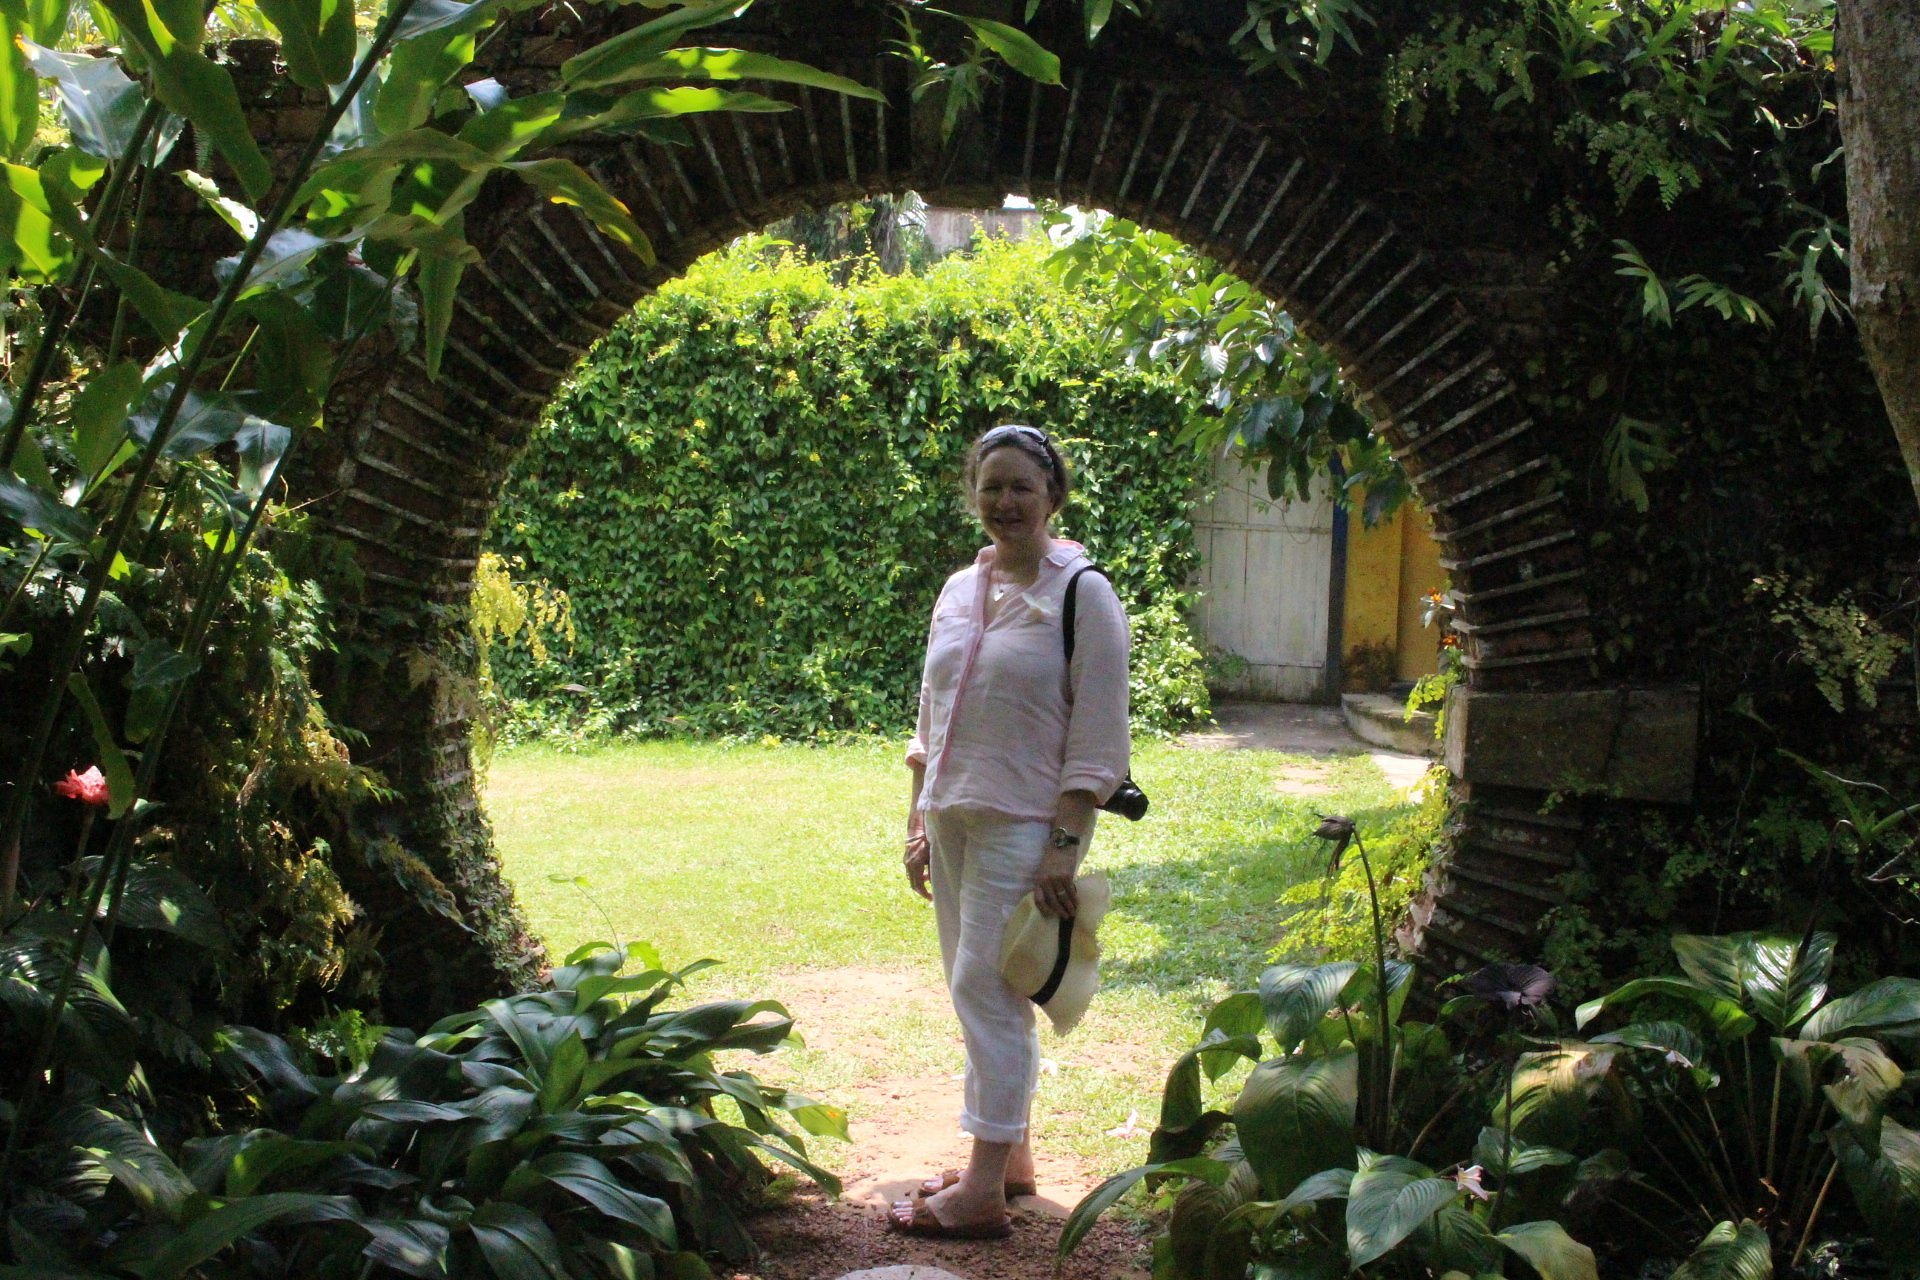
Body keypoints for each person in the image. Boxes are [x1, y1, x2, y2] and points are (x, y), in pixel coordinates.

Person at [888, 423, 1131, 1240]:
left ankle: (983, 1190)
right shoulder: (960, 588)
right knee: (982, 988)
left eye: (1022, 486)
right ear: (973, 495)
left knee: (986, 990)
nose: (1005, 502)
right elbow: (932, 712)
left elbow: (1100, 732)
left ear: (1053, 495)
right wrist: (918, 818)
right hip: (951, 816)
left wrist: (1066, 843)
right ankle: (1012, 1157)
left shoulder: (1083, 593)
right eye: (990, 486)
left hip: (1027, 822)